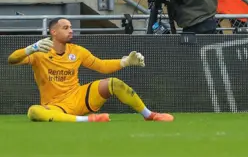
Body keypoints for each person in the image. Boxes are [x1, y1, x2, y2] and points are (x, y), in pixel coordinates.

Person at [7, 18, 174, 122]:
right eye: (66, 27)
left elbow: (100, 66)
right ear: (54, 32)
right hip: (56, 107)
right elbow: (12, 60)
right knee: (34, 112)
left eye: (71, 27)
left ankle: (149, 115)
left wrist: (125, 62)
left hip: (79, 97)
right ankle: (85, 120)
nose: (71, 30)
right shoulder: (40, 53)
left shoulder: (77, 51)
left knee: (114, 83)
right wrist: (30, 48)